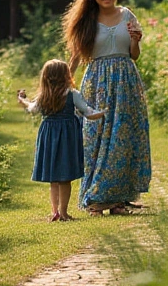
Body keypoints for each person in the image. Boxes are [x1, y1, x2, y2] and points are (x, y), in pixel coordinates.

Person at [62, 0, 151, 215]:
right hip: (97, 83)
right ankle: (96, 198)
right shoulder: (87, 20)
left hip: (125, 82)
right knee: (95, 139)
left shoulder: (127, 15)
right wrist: (66, 83)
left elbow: (134, 56)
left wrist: (135, 40)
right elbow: (77, 56)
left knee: (122, 139)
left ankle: (118, 199)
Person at [18, 59, 104, 222]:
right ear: (66, 76)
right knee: (65, 177)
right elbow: (87, 112)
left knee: (54, 178)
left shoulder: (44, 96)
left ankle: (55, 212)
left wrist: (22, 99)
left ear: (45, 77)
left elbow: (32, 109)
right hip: (67, 137)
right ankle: (63, 212)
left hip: (49, 135)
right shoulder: (72, 94)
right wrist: (104, 112)